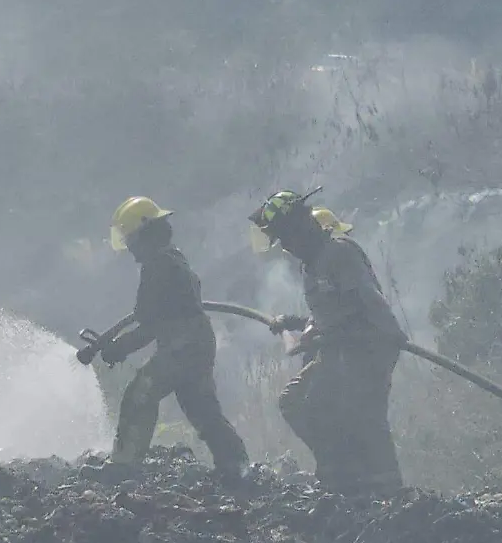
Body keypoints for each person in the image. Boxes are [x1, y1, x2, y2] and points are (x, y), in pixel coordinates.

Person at [247, 189, 408, 495]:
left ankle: (389, 493)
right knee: (296, 402)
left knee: (365, 418)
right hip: (336, 351)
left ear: (303, 227)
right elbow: (329, 311)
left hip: (367, 349)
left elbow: (367, 306)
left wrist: (375, 339)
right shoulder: (311, 264)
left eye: (287, 237)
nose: (287, 247)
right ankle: (338, 472)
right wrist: (297, 324)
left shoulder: (339, 254)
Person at [98, 196, 251, 482]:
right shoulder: (172, 258)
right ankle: (236, 465)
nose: (129, 246)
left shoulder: (158, 266)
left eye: (130, 239)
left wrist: (119, 349)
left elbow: (150, 325)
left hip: (184, 346)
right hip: (196, 342)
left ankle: (124, 465)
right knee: (201, 408)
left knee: (140, 394)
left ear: (144, 235)